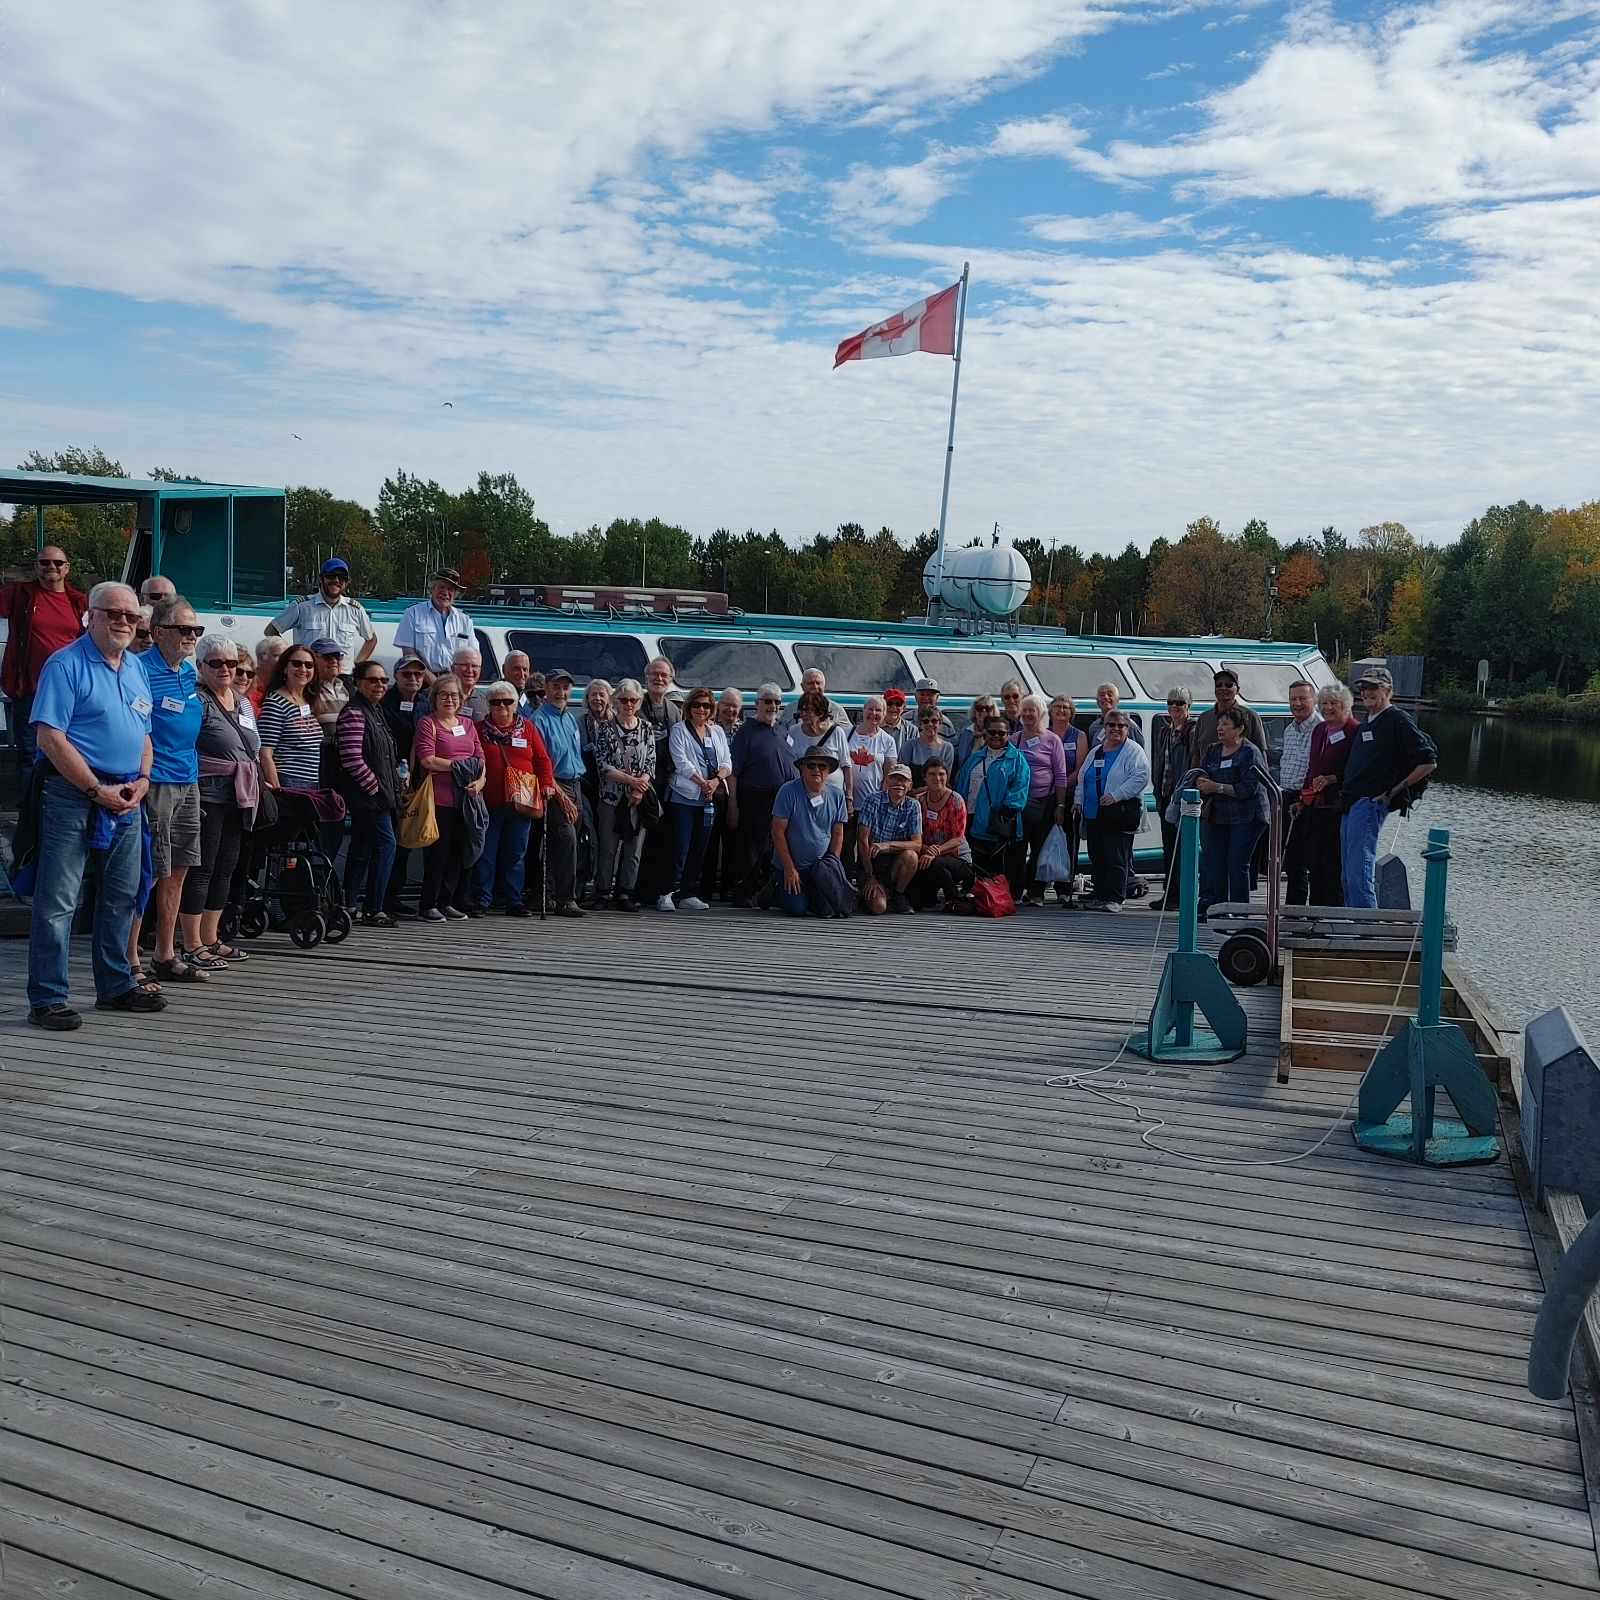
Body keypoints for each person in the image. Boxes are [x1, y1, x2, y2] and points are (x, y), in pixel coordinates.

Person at [25, 582, 162, 1029]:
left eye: (131, 616)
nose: (123, 622)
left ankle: (115, 985)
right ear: (91, 615)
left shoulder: (137, 668)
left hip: (127, 794)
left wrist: (143, 780)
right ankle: (47, 997)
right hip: (74, 795)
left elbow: (144, 733)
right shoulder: (65, 665)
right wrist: (92, 789)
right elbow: (50, 737)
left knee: (122, 897)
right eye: (113, 613)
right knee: (60, 899)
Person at [133, 596, 206, 986]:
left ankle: (165, 953)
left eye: (196, 629)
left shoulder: (188, 670)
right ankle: (131, 959)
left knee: (178, 870)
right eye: (183, 629)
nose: (191, 636)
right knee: (146, 872)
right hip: (156, 781)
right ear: (158, 632)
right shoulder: (139, 669)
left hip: (187, 779)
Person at [181, 633, 261, 965]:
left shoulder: (240, 700)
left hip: (238, 795)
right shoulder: (197, 700)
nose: (225, 669)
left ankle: (212, 937)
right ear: (201, 666)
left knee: (226, 866)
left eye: (232, 663)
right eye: (216, 663)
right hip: (208, 795)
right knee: (203, 867)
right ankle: (191, 941)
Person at [1340, 665, 1437, 909]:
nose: (1367, 692)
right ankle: (1353, 924)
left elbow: (1428, 761)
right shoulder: (1367, 722)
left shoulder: (1397, 718)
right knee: (1347, 872)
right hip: (1350, 803)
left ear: (1388, 690)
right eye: (1363, 687)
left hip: (1370, 803)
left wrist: (1393, 792)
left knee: (1359, 870)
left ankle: (1366, 930)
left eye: (1374, 687)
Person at [1, 544, 87, 772]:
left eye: (58, 563)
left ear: (67, 568)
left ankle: (57, 805)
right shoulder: (19, 594)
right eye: (45, 562)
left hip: (69, 693)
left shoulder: (78, 601)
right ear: (36, 567)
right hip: (30, 691)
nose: (52, 567)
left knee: (70, 753)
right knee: (30, 755)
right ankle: (30, 807)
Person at [472, 679, 553, 916]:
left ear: (515, 704)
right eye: (495, 702)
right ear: (488, 705)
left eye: (507, 702)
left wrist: (547, 784)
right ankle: (483, 900)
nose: (501, 706)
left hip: (522, 800)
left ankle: (513, 900)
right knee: (486, 853)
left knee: (516, 852)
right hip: (489, 800)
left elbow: (542, 760)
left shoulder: (527, 728)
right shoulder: (478, 729)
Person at [413, 673, 485, 921]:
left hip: (467, 798)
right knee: (438, 853)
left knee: (458, 852)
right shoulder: (428, 723)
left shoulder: (467, 724)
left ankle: (447, 901)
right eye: (444, 695)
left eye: (454, 695)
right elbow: (427, 759)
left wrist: (480, 780)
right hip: (440, 797)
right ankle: (428, 904)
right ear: (435, 698)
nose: (449, 699)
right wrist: (460, 767)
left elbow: (480, 758)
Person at [336, 659, 401, 925]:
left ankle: (350, 903)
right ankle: (375, 907)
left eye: (384, 680)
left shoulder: (375, 711)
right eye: (373, 680)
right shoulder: (354, 712)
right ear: (358, 683)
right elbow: (351, 757)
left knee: (362, 848)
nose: (379, 685)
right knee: (387, 846)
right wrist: (375, 788)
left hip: (379, 794)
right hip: (369, 797)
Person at [661, 687, 732, 913]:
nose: (701, 709)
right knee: (679, 847)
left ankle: (688, 892)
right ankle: (667, 893)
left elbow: (727, 762)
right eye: (697, 705)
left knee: (700, 848)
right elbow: (681, 763)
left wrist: (715, 781)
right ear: (689, 707)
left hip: (709, 799)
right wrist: (703, 782)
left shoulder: (717, 731)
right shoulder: (679, 730)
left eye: (706, 706)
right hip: (684, 797)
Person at [1196, 708, 1270, 918]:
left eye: (1226, 724)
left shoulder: (1250, 752)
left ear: (1239, 729)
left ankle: (1239, 912)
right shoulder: (1212, 750)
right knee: (1215, 862)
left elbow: (1249, 789)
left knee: (1237, 863)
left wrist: (1217, 787)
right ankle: (1219, 909)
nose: (1220, 728)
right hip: (1218, 815)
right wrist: (1201, 782)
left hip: (1248, 815)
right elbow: (1202, 772)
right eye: (1219, 724)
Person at [1074, 710, 1152, 912]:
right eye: (1111, 725)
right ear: (1105, 727)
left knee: (1116, 857)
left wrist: (1117, 795)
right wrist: (1078, 801)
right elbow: (1084, 777)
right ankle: (1100, 894)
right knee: (1097, 856)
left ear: (1127, 728)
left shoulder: (1133, 751)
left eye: (1121, 725)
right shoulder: (1097, 751)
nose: (1115, 729)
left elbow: (1140, 777)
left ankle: (1116, 898)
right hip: (1094, 813)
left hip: (1118, 813)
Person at [594, 677, 655, 912]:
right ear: (615, 702)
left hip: (638, 798)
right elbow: (604, 766)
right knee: (608, 847)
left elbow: (650, 762)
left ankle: (625, 892)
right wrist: (632, 782)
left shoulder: (647, 728)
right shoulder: (605, 729)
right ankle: (602, 892)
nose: (628, 704)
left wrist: (640, 789)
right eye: (623, 699)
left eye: (633, 700)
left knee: (633, 848)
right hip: (611, 797)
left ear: (639, 702)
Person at [727, 683, 790, 908]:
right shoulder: (746, 732)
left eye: (776, 702)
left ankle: (766, 891)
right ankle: (745, 892)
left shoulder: (782, 729)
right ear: (757, 704)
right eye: (767, 701)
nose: (772, 705)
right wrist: (733, 805)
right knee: (752, 848)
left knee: (773, 848)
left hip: (780, 799)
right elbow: (733, 772)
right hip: (753, 798)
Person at [531, 665, 586, 917]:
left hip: (575, 782)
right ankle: (566, 899)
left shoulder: (570, 718)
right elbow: (540, 764)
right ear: (546, 689)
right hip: (554, 786)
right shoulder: (539, 720)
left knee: (565, 843)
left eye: (565, 687)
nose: (560, 692)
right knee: (566, 840)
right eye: (555, 686)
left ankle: (550, 893)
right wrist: (562, 797)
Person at [771, 747, 851, 917]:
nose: (816, 770)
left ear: (829, 771)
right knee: (797, 909)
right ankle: (773, 890)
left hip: (819, 868)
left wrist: (832, 865)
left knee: (828, 910)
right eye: (811, 765)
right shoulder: (787, 791)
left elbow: (838, 834)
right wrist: (789, 868)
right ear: (802, 769)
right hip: (792, 866)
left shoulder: (837, 795)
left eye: (822, 766)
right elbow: (777, 832)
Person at [1299, 683, 1359, 907]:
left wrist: (1333, 778)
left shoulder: (1354, 731)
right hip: (1314, 805)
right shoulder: (1320, 730)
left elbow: (1359, 772)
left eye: (1333, 703)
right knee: (1314, 862)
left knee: (1333, 864)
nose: (1328, 708)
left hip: (1339, 807)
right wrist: (1302, 798)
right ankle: (1314, 912)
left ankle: (1334, 913)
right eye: (1324, 703)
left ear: (1345, 705)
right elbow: (1312, 767)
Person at [378, 655, 427, 917]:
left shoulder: (425, 703)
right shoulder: (385, 703)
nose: (413, 679)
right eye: (407, 674)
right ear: (396, 676)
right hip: (390, 778)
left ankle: (394, 895)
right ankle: (380, 898)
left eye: (418, 675)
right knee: (389, 841)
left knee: (407, 840)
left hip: (417, 780)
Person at [1011, 694, 1071, 905]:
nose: (1028, 714)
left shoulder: (1052, 740)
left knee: (1039, 849)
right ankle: (1016, 892)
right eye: (1025, 710)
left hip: (1045, 803)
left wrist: (1061, 805)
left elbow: (1061, 775)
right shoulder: (1014, 739)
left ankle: (1036, 892)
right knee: (1017, 850)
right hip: (1019, 805)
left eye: (1032, 710)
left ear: (1041, 714)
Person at [955, 714, 1030, 883]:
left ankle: (999, 899)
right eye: (992, 732)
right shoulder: (975, 758)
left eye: (1001, 733)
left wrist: (1007, 809)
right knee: (975, 865)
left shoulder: (1017, 759)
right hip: (972, 819)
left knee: (999, 869)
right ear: (985, 734)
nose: (996, 736)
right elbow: (961, 785)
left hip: (998, 822)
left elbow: (1020, 788)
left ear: (1008, 734)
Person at [634, 656, 683, 903]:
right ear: (646, 678)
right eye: (654, 674)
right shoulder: (635, 704)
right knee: (637, 839)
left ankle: (655, 890)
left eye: (664, 675)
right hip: (639, 782)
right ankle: (633, 889)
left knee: (661, 839)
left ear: (671, 679)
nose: (659, 679)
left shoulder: (674, 711)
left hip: (666, 782)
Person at [267, 557, 377, 663]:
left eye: (342, 577)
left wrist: (357, 666)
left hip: (343, 676)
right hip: (310, 675)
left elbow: (371, 640)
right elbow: (271, 630)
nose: (336, 580)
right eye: (331, 576)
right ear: (321, 578)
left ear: (347, 582)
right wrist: (290, 657)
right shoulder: (302, 607)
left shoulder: (355, 609)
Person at [1150, 688, 1199, 909]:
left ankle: (1182, 896)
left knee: (1183, 849)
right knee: (1169, 849)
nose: (1175, 707)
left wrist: (1185, 793)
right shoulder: (1164, 731)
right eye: (1171, 702)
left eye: (1180, 703)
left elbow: (1192, 764)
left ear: (1189, 706)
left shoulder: (1192, 731)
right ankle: (1170, 894)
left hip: (1182, 796)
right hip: (1165, 796)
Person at [256, 645, 325, 794]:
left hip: (311, 783)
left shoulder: (308, 702)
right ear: (285, 668)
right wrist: (277, 790)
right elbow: (265, 753)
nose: (303, 669)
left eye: (309, 665)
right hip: (287, 783)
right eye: (296, 664)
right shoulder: (275, 702)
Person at [1277, 679, 1322, 905]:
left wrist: (1306, 798)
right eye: (1293, 699)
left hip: (1310, 800)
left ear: (1313, 699)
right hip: (1287, 797)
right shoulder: (1289, 729)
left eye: (1302, 698)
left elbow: (1319, 769)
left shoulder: (1321, 729)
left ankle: (1311, 915)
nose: (1297, 703)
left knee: (1310, 861)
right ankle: (1293, 911)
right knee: (1292, 861)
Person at [856, 764, 922, 913]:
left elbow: (917, 844)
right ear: (886, 781)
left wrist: (886, 845)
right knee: (879, 908)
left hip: (894, 861)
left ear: (910, 785)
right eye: (894, 779)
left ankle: (898, 894)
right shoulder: (872, 800)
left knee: (911, 856)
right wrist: (870, 876)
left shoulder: (913, 806)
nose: (899, 783)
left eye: (903, 780)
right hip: (871, 861)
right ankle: (870, 892)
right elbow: (862, 840)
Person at [910, 757, 974, 909]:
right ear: (924, 777)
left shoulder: (956, 800)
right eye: (932, 774)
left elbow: (957, 839)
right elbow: (914, 835)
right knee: (917, 900)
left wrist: (935, 851)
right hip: (927, 855)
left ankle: (953, 899)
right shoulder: (918, 802)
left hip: (957, 858)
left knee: (935, 863)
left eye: (941, 774)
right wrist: (927, 849)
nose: (937, 778)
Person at [700, 688, 744, 899]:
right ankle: (706, 886)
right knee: (709, 839)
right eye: (726, 704)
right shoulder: (709, 729)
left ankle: (728, 886)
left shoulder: (744, 731)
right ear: (718, 706)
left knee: (732, 841)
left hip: (735, 794)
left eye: (735, 706)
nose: (730, 709)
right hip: (712, 791)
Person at [1045, 695, 1088, 906]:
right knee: (1042, 839)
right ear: (1050, 711)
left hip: (1069, 795)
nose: (1061, 710)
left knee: (1068, 842)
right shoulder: (1044, 733)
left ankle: (1065, 888)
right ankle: (1040, 884)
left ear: (1071, 712)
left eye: (1065, 707)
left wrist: (1060, 785)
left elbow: (1080, 768)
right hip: (1045, 795)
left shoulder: (1078, 736)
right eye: (1057, 707)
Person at [845, 696, 897, 860]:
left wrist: (880, 803)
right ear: (863, 710)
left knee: (866, 846)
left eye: (878, 710)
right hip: (847, 802)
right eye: (870, 709)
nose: (873, 713)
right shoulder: (846, 734)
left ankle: (865, 879)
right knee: (845, 845)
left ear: (884, 714)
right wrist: (847, 798)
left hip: (871, 804)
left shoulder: (887, 741)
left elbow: (889, 775)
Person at [393, 569, 474, 675]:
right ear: (432, 589)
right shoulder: (413, 614)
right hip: (423, 681)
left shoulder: (465, 620)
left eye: (450, 589)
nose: (445, 592)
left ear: (455, 594)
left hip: (455, 680)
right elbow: (409, 655)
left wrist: (453, 683)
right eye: (441, 587)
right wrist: (434, 682)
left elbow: (472, 655)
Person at [785, 691, 852, 804]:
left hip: (832, 794)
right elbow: (789, 761)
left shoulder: (837, 732)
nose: (803, 714)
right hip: (802, 794)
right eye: (802, 710)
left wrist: (849, 797)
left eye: (808, 710)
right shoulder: (793, 731)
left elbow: (846, 765)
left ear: (820, 712)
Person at [1193, 668, 1266, 754]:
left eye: (1228, 685)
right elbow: (1196, 755)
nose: (1223, 688)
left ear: (1238, 690)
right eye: (1219, 685)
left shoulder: (1250, 717)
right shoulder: (1204, 718)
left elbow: (1261, 753)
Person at [900, 706, 956, 789]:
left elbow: (946, 780)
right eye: (926, 721)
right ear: (920, 724)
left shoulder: (948, 748)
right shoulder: (909, 746)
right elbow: (903, 777)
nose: (930, 724)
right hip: (913, 795)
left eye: (934, 721)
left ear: (940, 723)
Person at [780, 667, 849, 729]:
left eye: (818, 683)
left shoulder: (837, 710)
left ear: (824, 686)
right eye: (810, 683)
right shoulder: (790, 709)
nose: (815, 687)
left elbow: (849, 737)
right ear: (802, 686)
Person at [309, 638, 351, 735]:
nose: (334, 661)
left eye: (337, 656)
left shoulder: (344, 690)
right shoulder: (309, 690)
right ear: (313, 660)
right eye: (327, 656)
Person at [1087, 682, 1146, 748]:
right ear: (1097, 701)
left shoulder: (1129, 725)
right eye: (1102, 695)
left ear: (1117, 700)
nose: (1106, 697)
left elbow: (1138, 750)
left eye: (1110, 694)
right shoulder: (1093, 727)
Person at [951, 695, 997, 775]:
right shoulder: (966, 733)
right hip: (965, 779)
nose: (983, 712)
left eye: (988, 708)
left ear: (993, 711)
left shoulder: (998, 734)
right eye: (979, 708)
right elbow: (958, 760)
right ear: (974, 711)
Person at [502, 652, 543, 719]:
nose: (522, 674)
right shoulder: (495, 698)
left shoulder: (532, 696)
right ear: (504, 669)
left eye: (525, 669)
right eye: (516, 669)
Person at [251, 636, 286, 709]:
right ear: (261, 658)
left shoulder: (288, 685)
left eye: (286, 656)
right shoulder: (246, 684)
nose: (284, 660)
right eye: (278, 655)